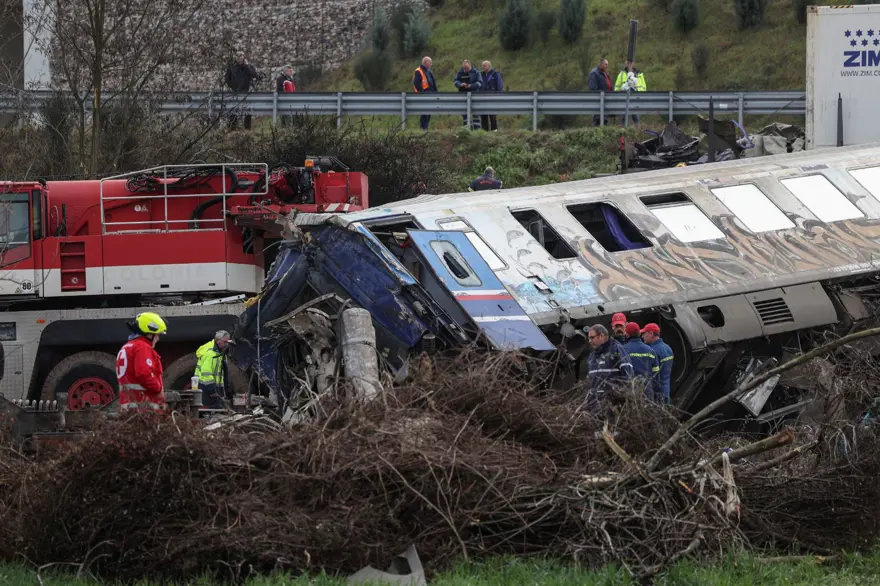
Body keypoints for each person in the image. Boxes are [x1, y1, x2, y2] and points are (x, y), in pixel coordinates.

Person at [116, 312, 167, 413]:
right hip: (144, 407)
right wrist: (158, 389)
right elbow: (144, 374)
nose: (158, 338)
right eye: (156, 335)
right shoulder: (142, 347)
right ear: (149, 333)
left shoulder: (128, 346)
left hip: (130, 406)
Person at [583, 324, 633, 410]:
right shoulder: (592, 357)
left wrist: (623, 400)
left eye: (592, 337)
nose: (589, 341)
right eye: (589, 338)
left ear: (601, 336)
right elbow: (590, 383)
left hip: (613, 407)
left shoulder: (617, 349)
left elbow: (628, 377)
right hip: (595, 407)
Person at [194, 330, 232, 410]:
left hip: (213, 387)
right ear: (218, 341)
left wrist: (222, 390)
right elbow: (206, 374)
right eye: (225, 342)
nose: (227, 344)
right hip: (205, 388)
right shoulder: (210, 354)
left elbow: (219, 374)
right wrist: (212, 391)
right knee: (209, 411)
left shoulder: (219, 352)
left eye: (228, 342)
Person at [622, 322, 660, 401]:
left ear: (627, 335)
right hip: (647, 392)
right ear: (639, 333)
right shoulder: (651, 351)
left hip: (630, 393)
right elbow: (656, 375)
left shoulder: (623, 350)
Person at [225, 52, 259, 130]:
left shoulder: (249, 66)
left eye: (240, 56)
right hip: (235, 92)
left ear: (244, 57)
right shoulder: (232, 67)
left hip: (246, 92)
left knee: (247, 111)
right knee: (233, 110)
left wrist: (246, 66)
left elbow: (254, 75)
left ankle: (247, 129)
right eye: (237, 56)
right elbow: (227, 78)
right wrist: (233, 85)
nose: (239, 57)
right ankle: (232, 129)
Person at [641, 323, 674, 404]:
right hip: (666, 391)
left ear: (651, 333)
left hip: (657, 394)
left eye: (644, 333)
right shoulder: (668, 348)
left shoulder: (652, 351)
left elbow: (650, 374)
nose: (642, 336)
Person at [614, 60, 647, 126]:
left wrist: (636, 88)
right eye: (627, 62)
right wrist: (623, 88)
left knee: (636, 118)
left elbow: (644, 88)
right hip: (624, 100)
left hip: (636, 99)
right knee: (623, 118)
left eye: (630, 62)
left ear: (634, 63)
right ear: (625, 63)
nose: (628, 64)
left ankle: (637, 133)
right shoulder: (622, 74)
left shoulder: (639, 74)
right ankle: (623, 133)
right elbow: (616, 88)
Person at [453, 59, 482, 129]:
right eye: (464, 68)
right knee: (465, 114)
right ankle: (466, 130)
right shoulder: (460, 73)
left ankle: (477, 130)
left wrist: (471, 86)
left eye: (467, 68)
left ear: (470, 66)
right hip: (463, 96)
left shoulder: (476, 72)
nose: (466, 70)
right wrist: (460, 84)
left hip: (475, 95)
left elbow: (479, 83)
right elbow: (455, 82)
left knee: (476, 114)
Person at [412, 56, 438, 130]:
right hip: (424, 95)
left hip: (430, 94)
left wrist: (436, 92)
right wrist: (422, 94)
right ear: (425, 62)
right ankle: (423, 128)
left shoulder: (429, 71)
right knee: (424, 112)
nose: (431, 64)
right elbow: (416, 83)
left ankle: (425, 128)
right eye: (430, 62)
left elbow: (433, 83)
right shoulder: (418, 71)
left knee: (428, 112)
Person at [587, 58, 612, 126]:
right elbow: (592, 88)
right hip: (598, 104)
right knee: (597, 123)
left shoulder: (605, 74)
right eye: (605, 64)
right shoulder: (594, 73)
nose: (607, 66)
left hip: (605, 103)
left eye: (607, 65)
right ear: (601, 64)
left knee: (604, 122)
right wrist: (604, 93)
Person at [479, 60, 503, 131]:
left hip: (492, 97)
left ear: (489, 66)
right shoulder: (481, 74)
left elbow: (500, 86)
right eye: (482, 65)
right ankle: (484, 130)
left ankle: (494, 130)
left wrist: (498, 96)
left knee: (492, 114)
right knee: (483, 114)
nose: (482, 67)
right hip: (482, 98)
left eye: (484, 65)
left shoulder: (495, 74)